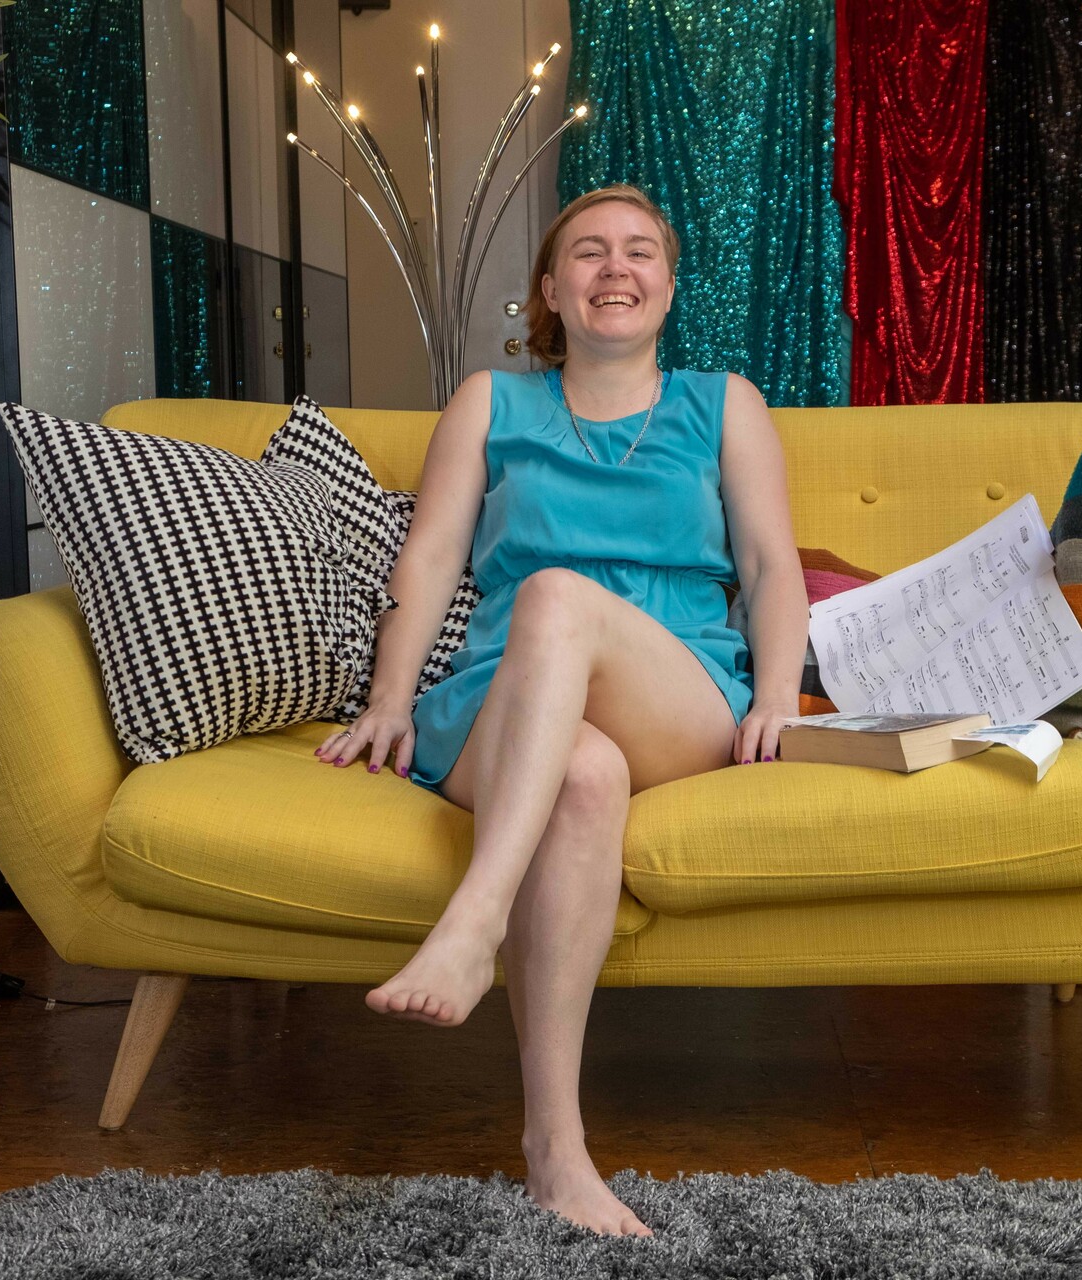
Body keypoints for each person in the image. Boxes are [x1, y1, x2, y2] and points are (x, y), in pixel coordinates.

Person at [310, 183, 809, 1238]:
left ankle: (474, 921)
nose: (614, 268)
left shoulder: (726, 404)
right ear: (549, 288)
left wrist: (776, 695)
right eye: (588, 251)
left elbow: (771, 567)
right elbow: (430, 560)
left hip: (673, 688)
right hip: (505, 697)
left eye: (638, 251)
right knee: (582, 773)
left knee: (556, 595)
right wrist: (390, 699)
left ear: (668, 284)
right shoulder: (490, 402)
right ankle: (556, 1151)